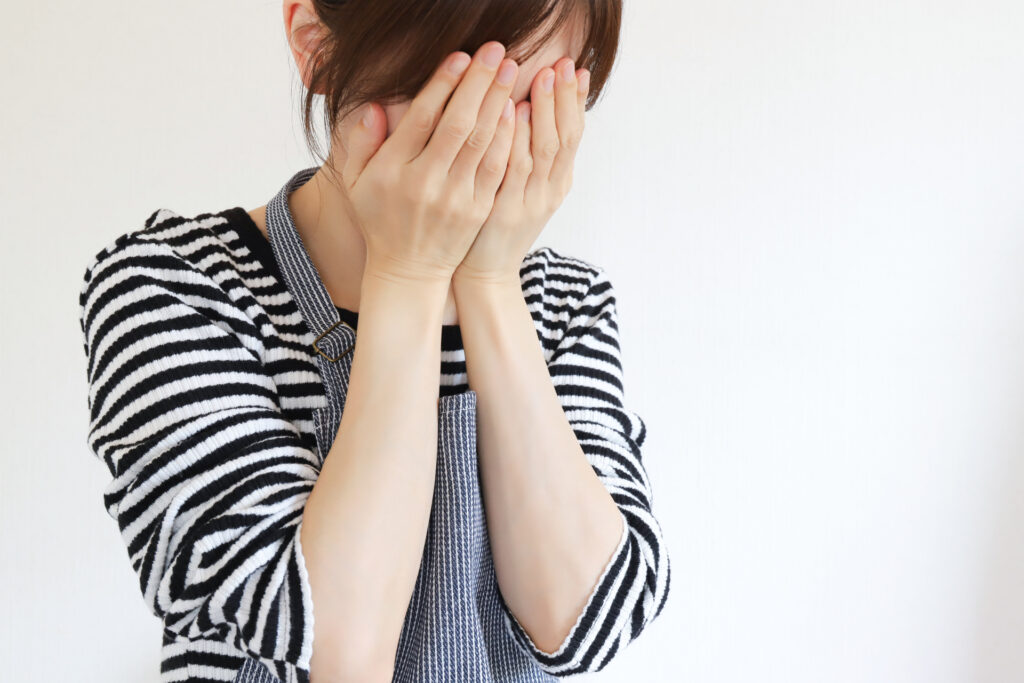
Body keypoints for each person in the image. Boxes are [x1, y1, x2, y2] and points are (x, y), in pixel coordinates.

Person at [77, 1, 671, 681]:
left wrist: (489, 281)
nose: (480, 145)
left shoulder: (565, 301)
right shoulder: (175, 286)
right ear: (316, 45)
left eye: (528, 101)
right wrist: (408, 273)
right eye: (453, 95)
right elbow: (329, 643)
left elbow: (586, 620)